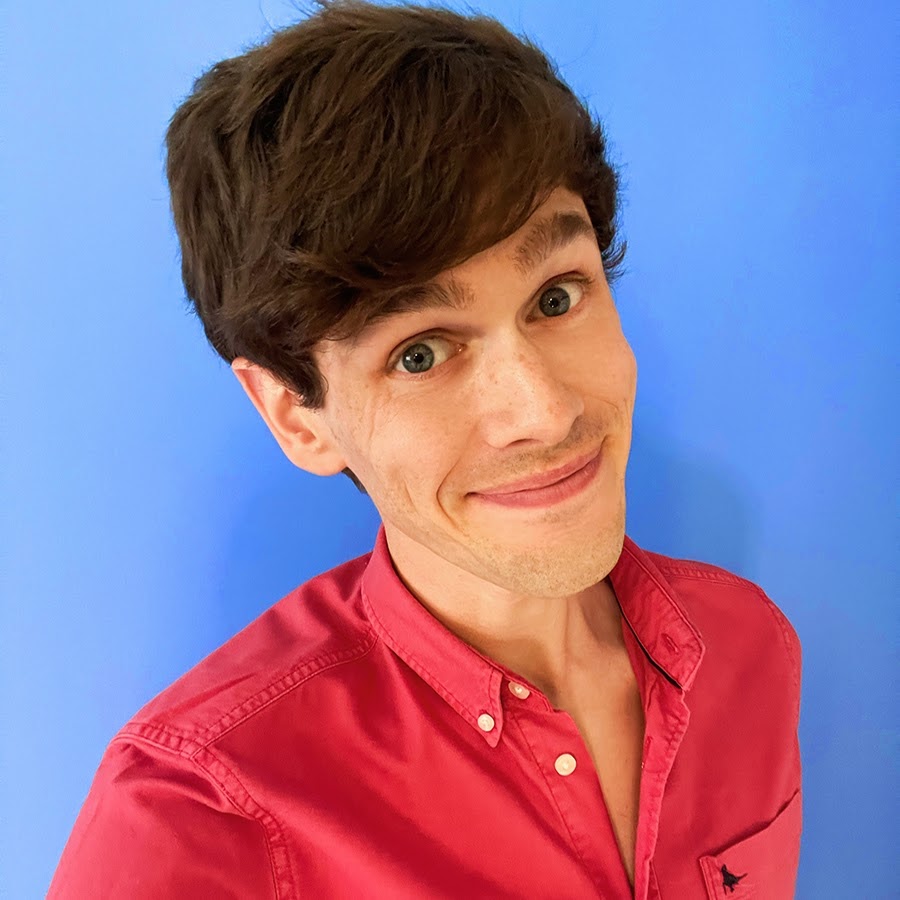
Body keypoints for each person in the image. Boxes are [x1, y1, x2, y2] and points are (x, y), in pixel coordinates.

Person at [48, 1, 803, 897]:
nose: (545, 411)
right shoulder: (193, 816)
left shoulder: (746, 645)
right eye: (420, 354)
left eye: (557, 297)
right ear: (298, 416)